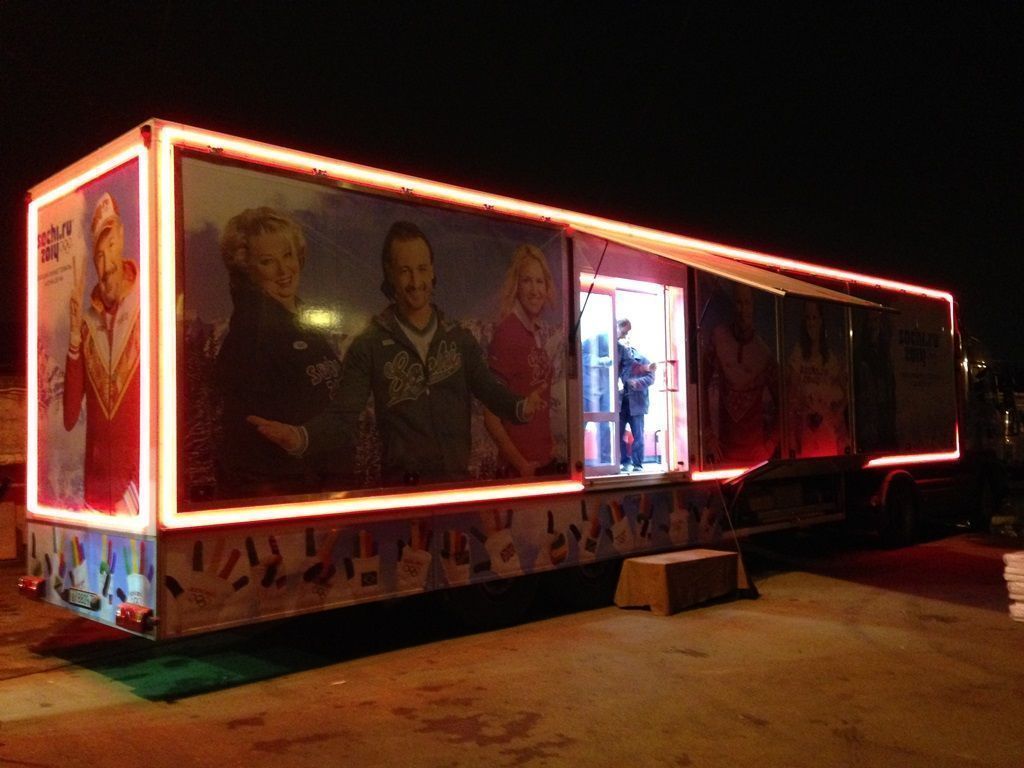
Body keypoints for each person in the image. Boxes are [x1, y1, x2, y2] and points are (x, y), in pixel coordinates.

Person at [249, 221, 542, 486]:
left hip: (455, 489)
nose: (416, 282)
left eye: (422, 269)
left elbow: (488, 388)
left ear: (433, 270)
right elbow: (342, 416)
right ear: (390, 274)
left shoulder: (458, 338)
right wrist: (299, 437)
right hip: (403, 491)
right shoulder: (369, 345)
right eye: (405, 271)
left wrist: (520, 407)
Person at [213, 207, 344, 497]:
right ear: (247, 269)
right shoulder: (251, 332)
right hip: (287, 493)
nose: (284, 270)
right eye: (267, 262)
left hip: (321, 489)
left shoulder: (302, 323)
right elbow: (247, 435)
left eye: (287, 255)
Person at [63, 192, 140, 513]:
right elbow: (69, 417)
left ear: (121, 235)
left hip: (136, 492)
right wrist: (73, 337)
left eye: (111, 242)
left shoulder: (145, 306)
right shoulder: (87, 325)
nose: (106, 256)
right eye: (98, 250)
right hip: (95, 491)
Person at [484, 244, 558, 477]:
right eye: (527, 281)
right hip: (519, 471)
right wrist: (521, 465)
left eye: (539, 281)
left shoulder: (536, 333)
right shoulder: (507, 333)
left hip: (542, 464)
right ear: (516, 285)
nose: (535, 290)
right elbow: (491, 416)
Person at [702, 282, 779, 465]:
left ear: (753, 307)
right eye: (738, 302)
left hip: (755, 456)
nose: (742, 309)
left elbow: (785, 403)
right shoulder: (719, 339)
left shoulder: (763, 353)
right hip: (723, 452)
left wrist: (770, 446)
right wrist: (707, 434)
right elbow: (700, 387)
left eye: (747, 303)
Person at [786, 300, 849, 457]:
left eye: (815, 317)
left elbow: (846, 395)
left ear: (821, 321)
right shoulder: (797, 356)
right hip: (805, 433)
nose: (811, 323)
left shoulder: (830, 360)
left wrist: (835, 416)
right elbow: (791, 397)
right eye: (808, 318)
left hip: (827, 433)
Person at [617, 318, 655, 472]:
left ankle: (637, 464)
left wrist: (636, 383)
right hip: (620, 403)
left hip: (637, 403)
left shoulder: (643, 359)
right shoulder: (618, 361)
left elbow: (651, 378)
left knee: (638, 435)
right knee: (618, 434)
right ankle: (623, 461)